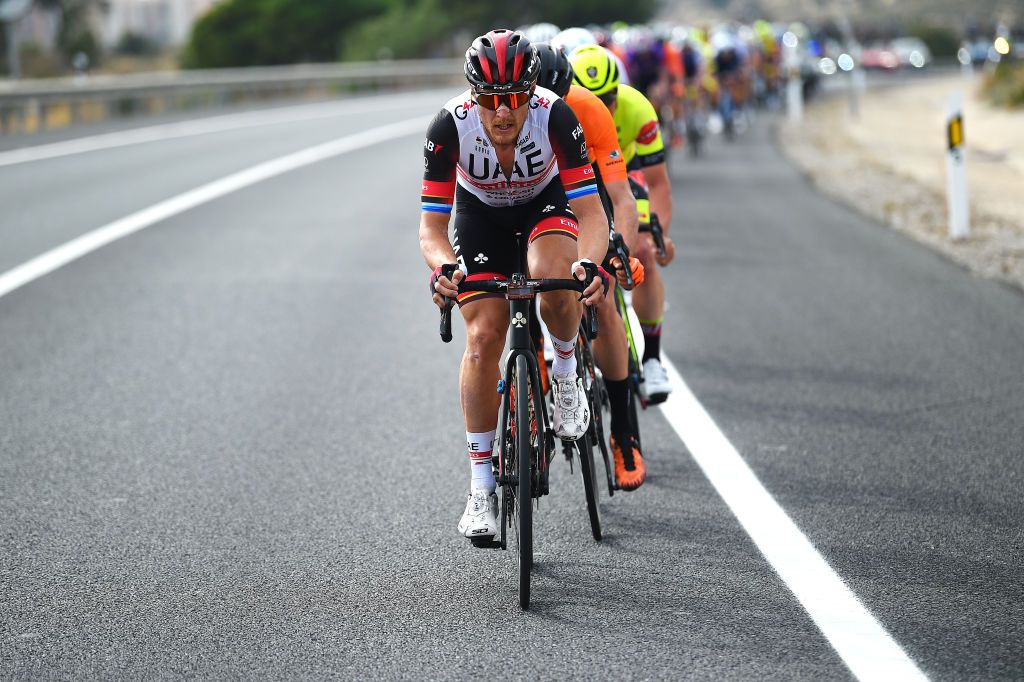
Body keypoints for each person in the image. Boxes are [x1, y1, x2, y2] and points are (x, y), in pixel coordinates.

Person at [419, 29, 611, 541]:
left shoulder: (556, 116)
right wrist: (443, 269)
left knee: (556, 282)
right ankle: (481, 486)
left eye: (514, 100)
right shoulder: (449, 126)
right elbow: (432, 227)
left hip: (544, 205)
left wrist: (589, 265)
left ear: (531, 95)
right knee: (483, 338)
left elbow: (592, 214)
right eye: (489, 101)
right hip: (479, 215)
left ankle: (566, 375)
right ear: (472, 96)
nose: (502, 113)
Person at [535, 43, 648, 490]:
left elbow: (620, 200)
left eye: (559, 99)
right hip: (527, 204)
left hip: (583, 201)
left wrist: (620, 253)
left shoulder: (589, 109)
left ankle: (623, 433)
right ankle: (528, 389)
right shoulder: (506, 118)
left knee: (602, 305)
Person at [568, 44, 676, 404]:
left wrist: (659, 233)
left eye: (610, 98)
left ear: (621, 91)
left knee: (641, 250)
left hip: (621, 175)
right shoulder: (564, 112)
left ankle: (652, 358)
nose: (603, 107)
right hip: (578, 178)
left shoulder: (638, 108)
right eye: (592, 98)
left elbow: (658, 182)